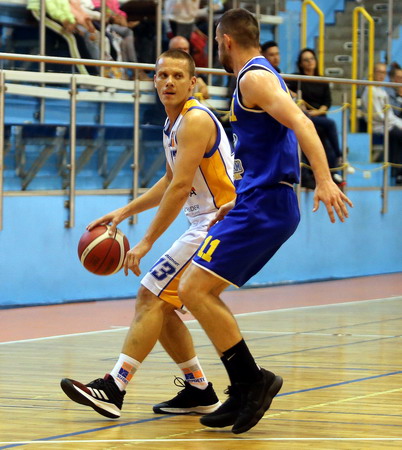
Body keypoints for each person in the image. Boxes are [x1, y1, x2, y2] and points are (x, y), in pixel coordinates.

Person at [173, 8, 351, 434]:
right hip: (256, 200)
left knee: (193, 289)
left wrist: (324, 178)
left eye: (217, 43)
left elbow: (302, 122)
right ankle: (244, 386)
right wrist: (236, 199)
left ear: (226, 41)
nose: (217, 50)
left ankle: (252, 383)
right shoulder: (258, 77)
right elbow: (269, 145)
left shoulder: (254, 77)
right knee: (199, 290)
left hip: (268, 203)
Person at [61, 49, 236, 418]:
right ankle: (199, 389)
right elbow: (170, 180)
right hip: (206, 225)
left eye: (177, 76)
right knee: (160, 304)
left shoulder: (195, 120)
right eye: (162, 75)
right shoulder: (173, 124)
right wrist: (125, 211)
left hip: (217, 224)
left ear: (193, 83)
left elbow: (180, 188)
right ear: (153, 80)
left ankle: (114, 386)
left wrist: (145, 242)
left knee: (149, 295)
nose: (168, 82)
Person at [287, 48, 345, 189]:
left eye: (311, 59)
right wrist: (297, 97)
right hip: (304, 117)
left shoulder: (322, 79)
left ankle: (332, 173)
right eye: (305, 60)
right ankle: (339, 156)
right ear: (301, 63)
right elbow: (282, 85)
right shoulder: (297, 78)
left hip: (318, 117)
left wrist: (317, 112)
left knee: (325, 138)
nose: (309, 62)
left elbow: (327, 102)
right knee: (330, 124)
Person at [362, 62, 402, 184]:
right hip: (378, 125)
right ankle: (398, 172)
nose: (381, 75)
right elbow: (379, 115)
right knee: (397, 134)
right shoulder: (370, 90)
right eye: (379, 72)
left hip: (388, 123)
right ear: (373, 72)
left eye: (384, 72)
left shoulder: (382, 90)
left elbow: (389, 114)